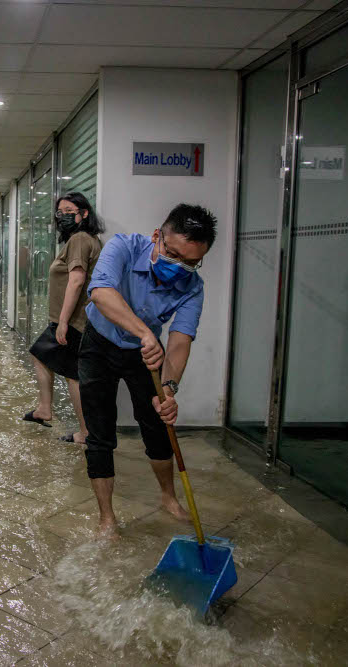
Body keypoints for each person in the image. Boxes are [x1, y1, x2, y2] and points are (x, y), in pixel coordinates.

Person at [78, 204, 217, 537]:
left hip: (146, 357)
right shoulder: (124, 247)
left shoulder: (193, 288)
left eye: (191, 262)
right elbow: (100, 292)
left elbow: (181, 342)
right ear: (157, 236)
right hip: (99, 344)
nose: (180, 266)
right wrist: (144, 332)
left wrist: (169, 389)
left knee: (157, 424)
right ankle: (107, 517)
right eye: (173, 254)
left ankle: (168, 497)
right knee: (99, 433)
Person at [22, 193, 103, 446]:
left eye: (69, 210)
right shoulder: (85, 240)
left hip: (74, 320)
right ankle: (45, 408)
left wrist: (65, 322)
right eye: (60, 212)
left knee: (73, 376)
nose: (63, 216)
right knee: (40, 354)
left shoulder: (80, 239)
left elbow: (77, 280)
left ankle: (85, 432)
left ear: (84, 213)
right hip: (71, 319)